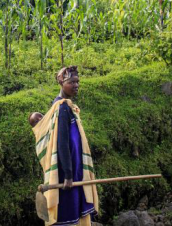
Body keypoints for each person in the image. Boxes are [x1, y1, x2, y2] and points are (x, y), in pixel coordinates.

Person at [52, 66, 97, 226]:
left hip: (74, 169)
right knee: (69, 213)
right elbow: (62, 143)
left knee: (76, 209)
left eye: (77, 82)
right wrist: (69, 175)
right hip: (68, 173)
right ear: (61, 82)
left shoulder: (67, 106)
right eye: (72, 82)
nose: (76, 85)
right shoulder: (62, 108)